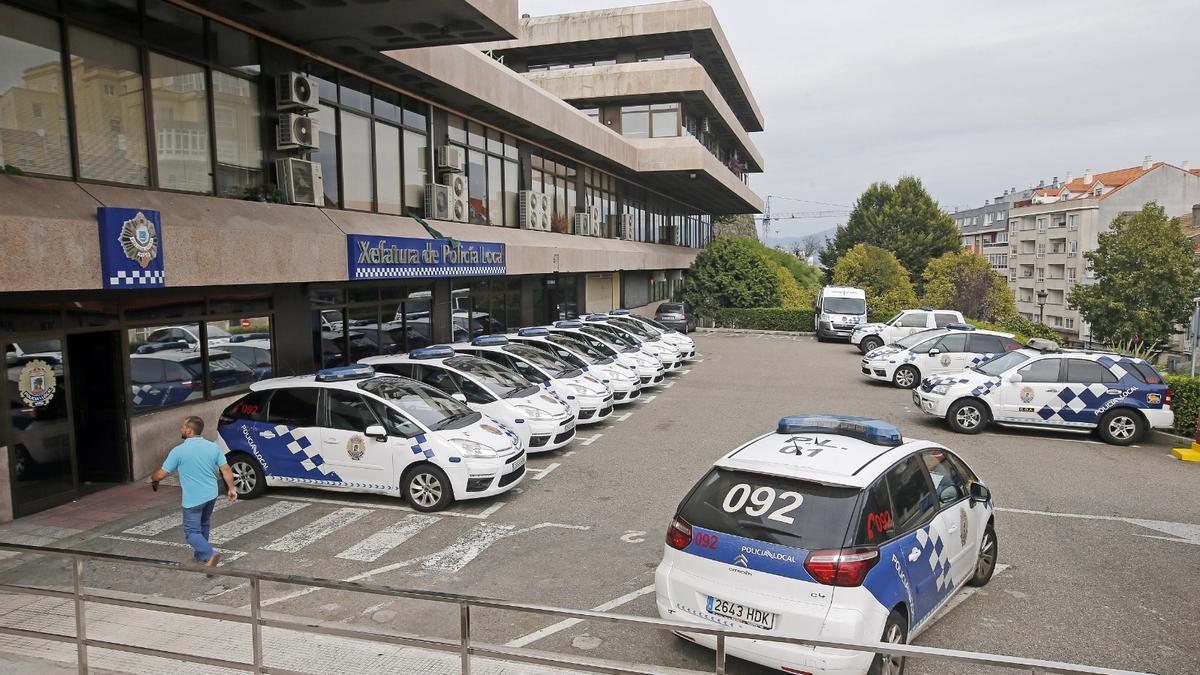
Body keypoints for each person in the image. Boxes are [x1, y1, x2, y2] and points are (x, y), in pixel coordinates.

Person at [150, 416, 237, 567]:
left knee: (191, 533)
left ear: (189, 430)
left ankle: (210, 554)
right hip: (211, 494)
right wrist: (232, 488)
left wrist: (153, 478)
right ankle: (201, 556)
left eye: (183, 427)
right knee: (204, 524)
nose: (181, 429)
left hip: (193, 499)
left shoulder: (178, 451)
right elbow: (226, 469)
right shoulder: (212, 447)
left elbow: (161, 474)